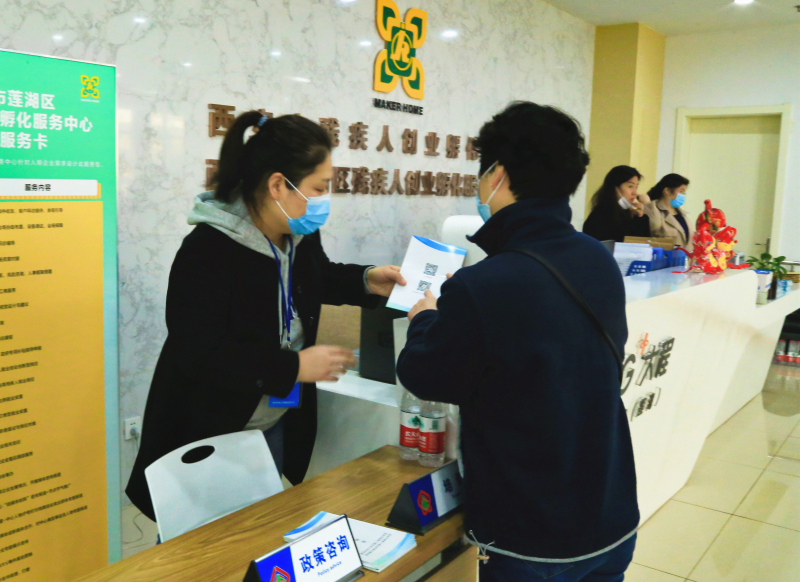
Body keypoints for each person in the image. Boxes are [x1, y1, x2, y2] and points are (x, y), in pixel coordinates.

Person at [396, 102, 639, 582]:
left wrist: (424, 319)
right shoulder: (597, 258)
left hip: (531, 534)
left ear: (499, 175)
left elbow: (427, 376)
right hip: (609, 516)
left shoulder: (484, 284)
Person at [126, 112, 406, 522]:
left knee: (257, 531)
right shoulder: (207, 251)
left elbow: (316, 277)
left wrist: (366, 281)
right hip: (211, 428)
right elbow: (200, 352)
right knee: (201, 545)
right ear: (278, 185)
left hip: (272, 420)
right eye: (319, 188)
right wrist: (293, 366)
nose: (324, 199)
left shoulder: (297, 232)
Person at [583, 166, 650, 242]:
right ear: (615, 188)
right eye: (630, 186)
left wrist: (640, 218)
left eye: (636, 187)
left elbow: (644, 243)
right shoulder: (600, 215)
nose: (634, 193)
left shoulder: (629, 213)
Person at [642, 173, 692, 247]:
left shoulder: (681, 214)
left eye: (684, 192)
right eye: (681, 191)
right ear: (667, 190)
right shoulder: (653, 209)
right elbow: (654, 228)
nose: (683, 196)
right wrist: (647, 204)